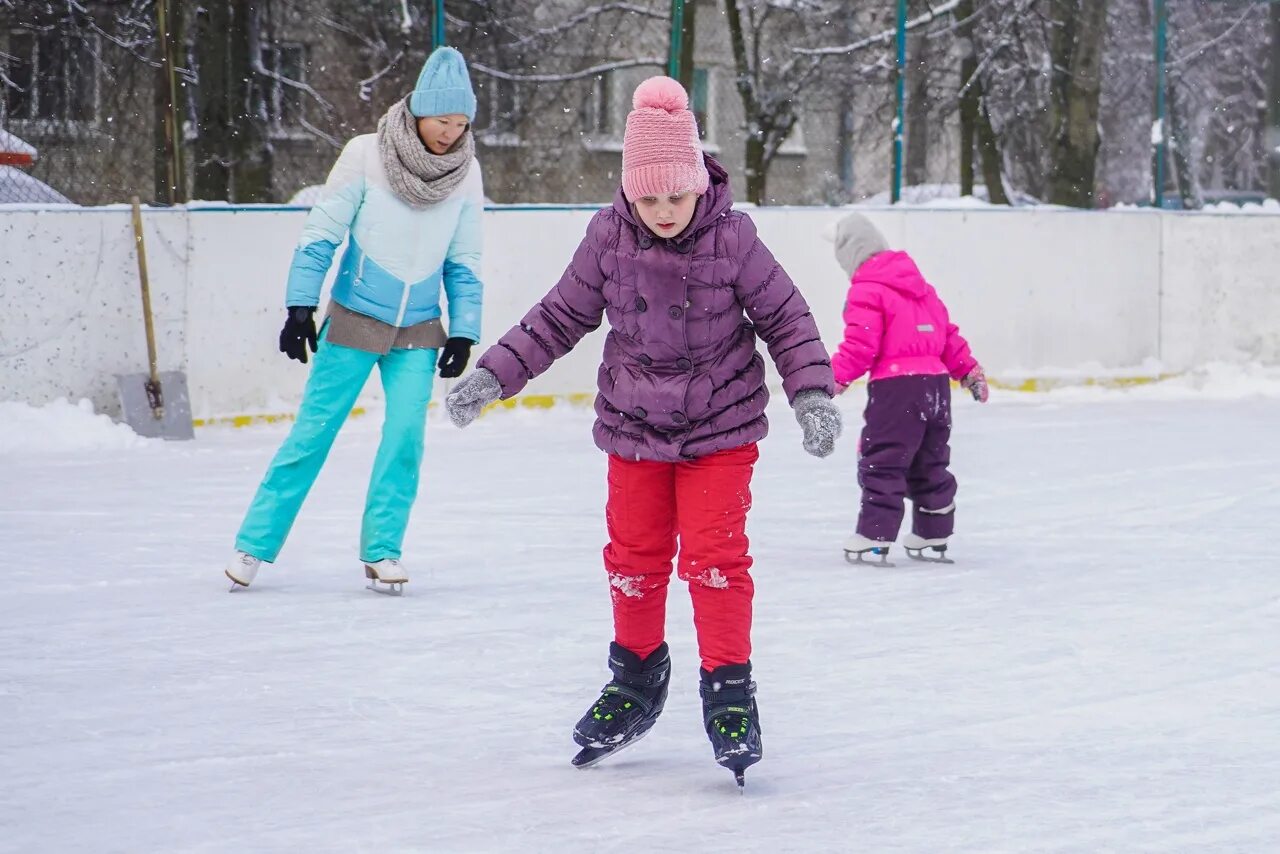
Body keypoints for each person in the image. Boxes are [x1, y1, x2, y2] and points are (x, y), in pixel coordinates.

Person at [445, 76, 841, 784]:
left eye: (676, 196)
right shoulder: (607, 237)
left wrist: (811, 393)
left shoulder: (733, 237)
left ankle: (729, 691)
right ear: (628, 191)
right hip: (633, 429)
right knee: (632, 558)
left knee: (715, 560)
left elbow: (786, 318)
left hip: (720, 429)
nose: (662, 211)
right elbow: (559, 317)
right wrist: (495, 376)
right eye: (647, 197)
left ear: (698, 182)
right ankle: (634, 677)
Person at [224, 46, 485, 594]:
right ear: (417, 110)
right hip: (354, 318)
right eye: (443, 120)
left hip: (418, 328)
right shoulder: (366, 154)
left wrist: (463, 330)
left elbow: (464, 261)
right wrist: (301, 305)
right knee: (313, 433)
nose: (450, 133)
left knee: (406, 436)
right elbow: (322, 233)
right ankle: (254, 544)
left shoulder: (466, 172)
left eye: (461, 123)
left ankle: (382, 551)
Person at [828, 213, 988, 566]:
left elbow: (860, 346)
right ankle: (934, 533)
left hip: (896, 390)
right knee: (930, 462)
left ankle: (875, 536)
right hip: (936, 388)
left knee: (883, 460)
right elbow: (948, 336)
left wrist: (831, 379)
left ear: (851, 254)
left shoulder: (866, 289)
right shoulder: (921, 287)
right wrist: (970, 372)